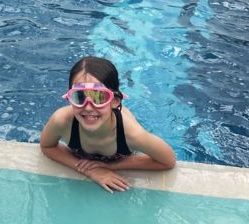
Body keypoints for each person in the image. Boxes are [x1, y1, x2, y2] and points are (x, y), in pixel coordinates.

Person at [40, 56, 176, 193]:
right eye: (79, 97)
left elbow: (167, 160)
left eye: (99, 97)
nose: (88, 107)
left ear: (115, 101)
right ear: (69, 99)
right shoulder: (62, 121)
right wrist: (91, 171)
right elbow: (47, 146)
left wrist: (112, 166)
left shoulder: (131, 134)